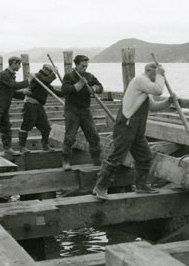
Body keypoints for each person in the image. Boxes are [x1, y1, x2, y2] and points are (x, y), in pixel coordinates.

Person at [93, 63, 173, 199]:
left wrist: (168, 102)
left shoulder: (145, 86)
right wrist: (161, 74)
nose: (158, 77)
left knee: (145, 156)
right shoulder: (140, 80)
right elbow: (159, 90)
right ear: (151, 72)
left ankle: (141, 186)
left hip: (137, 131)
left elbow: (153, 106)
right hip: (126, 127)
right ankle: (100, 187)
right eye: (156, 74)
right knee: (116, 157)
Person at [61, 55, 103, 170]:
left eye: (86, 66)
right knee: (70, 137)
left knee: (93, 136)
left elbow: (100, 87)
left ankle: (96, 159)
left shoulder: (89, 76)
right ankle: (66, 161)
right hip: (72, 110)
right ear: (76, 65)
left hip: (85, 110)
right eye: (82, 66)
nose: (84, 68)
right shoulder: (69, 76)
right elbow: (64, 90)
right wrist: (78, 85)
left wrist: (94, 88)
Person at [18, 64, 62, 153]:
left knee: (46, 127)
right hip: (30, 104)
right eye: (49, 72)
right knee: (27, 125)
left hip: (39, 105)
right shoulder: (37, 76)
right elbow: (46, 81)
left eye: (50, 72)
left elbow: (54, 92)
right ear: (44, 69)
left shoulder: (45, 82)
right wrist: (54, 73)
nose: (50, 74)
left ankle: (45, 145)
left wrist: (68, 91)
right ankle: (22, 146)